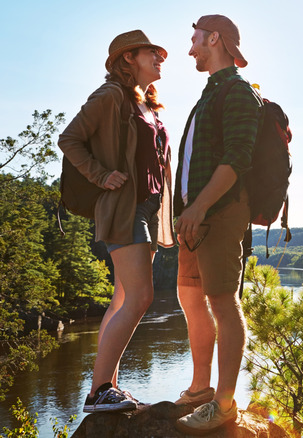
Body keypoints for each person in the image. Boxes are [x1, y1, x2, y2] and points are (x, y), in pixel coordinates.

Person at [58, 30, 174, 413]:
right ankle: (98, 391)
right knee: (140, 297)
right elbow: (69, 138)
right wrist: (100, 174)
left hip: (148, 209)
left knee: (123, 297)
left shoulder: (147, 105)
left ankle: (108, 387)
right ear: (128, 59)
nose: (160, 58)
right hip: (124, 207)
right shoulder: (110, 96)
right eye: (152, 53)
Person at [173, 15, 259, 434]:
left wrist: (200, 207)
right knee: (191, 298)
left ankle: (224, 405)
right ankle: (200, 389)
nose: (190, 49)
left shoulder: (238, 93)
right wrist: (185, 209)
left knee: (223, 303)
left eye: (194, 41)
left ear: (214, 38)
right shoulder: (209, 95)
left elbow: (237, 158)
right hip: (194, 219)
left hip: (218, 214)